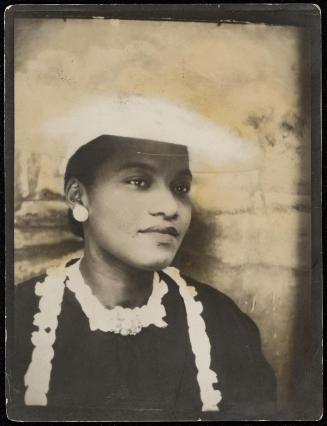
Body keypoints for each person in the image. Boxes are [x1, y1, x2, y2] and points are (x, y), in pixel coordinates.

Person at [8, 97, 276, 421]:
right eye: (139, 181)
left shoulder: (224, 327)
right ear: (78, 196)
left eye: (180, 186)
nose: (170, 207)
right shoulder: (20, 320)